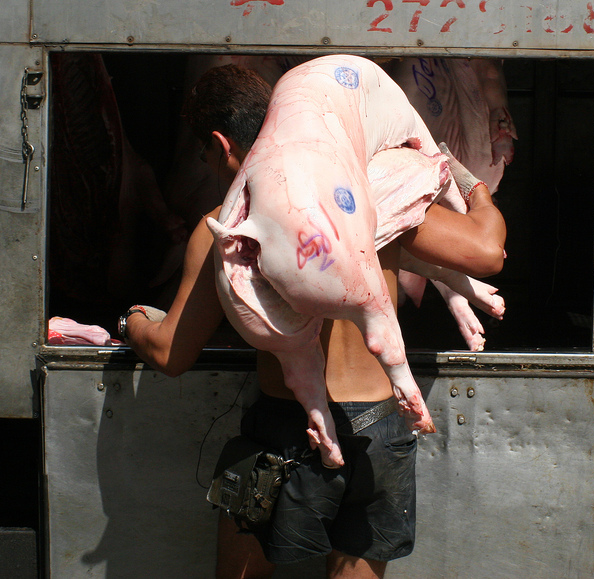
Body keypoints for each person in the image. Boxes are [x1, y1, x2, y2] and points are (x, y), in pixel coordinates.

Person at [123, 63, 506, 579]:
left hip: (288, 426)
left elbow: (171, 353)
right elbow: (488, 251)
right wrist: (471, 185)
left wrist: (132, 321)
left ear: (218, 146)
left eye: (203, 154)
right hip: (382, 427)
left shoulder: (226, 225)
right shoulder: (373, 199)